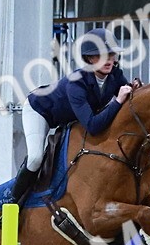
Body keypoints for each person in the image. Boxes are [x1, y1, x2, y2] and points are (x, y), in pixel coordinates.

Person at [7, 28, 134, 207]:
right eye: (102, 55)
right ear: (90, 59)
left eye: (111, 54)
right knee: (36, 157)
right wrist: (118, 100)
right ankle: (13, 201)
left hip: (68, 117)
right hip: (40, 110)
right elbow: (93, 125)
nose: (109, 60)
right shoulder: (77, 83)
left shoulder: (116, 76)